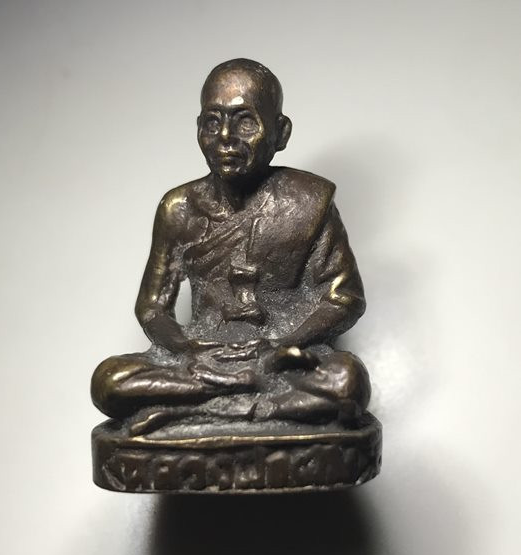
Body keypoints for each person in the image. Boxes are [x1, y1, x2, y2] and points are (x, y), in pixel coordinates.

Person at [91, 59, 371, 435]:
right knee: (108, 381)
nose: (225, 137)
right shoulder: (179, 208)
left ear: (281, 133)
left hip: (278, 357)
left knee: (348, 380)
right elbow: (152, 307)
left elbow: (344, 298)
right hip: (203, 358)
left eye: (245, 122)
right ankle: (251, 402)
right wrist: (187, 348)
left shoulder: (309, 201)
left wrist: (283, 345)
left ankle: (204, 408)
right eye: (212, 122)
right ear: (198, 129)